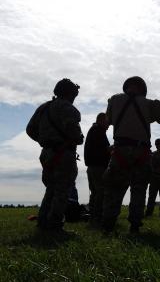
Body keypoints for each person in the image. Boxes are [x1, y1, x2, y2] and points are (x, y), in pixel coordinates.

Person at [102, 76, 160, 233]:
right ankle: (134, 226)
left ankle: (108, 225)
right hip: (142, 153)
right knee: (139, 190)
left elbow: (109, 120)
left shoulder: (114, 100)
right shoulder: (148, 104)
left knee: (114, 190)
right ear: (143, 90)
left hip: (119, 151)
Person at [26, 78, 83, 231]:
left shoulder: (44, 108)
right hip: (63, 154)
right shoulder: (67, 108)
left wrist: (45, 142)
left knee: (51, 189)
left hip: (47, 154)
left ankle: (43, 222)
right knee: (62, 191)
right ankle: (55, 226)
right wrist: (75, 139)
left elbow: (30, 129)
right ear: (70, 93)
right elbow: (75, 133)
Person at [84, 113, 110, 226]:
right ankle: (97, 218)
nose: (109, 124)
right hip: (98, 167)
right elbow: (104, 150)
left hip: (92, 167)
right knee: (101, 192)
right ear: (101, 120)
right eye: (107, 121)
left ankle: (93, 217)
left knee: (95, 193)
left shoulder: (95, 130)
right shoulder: (98, 131)